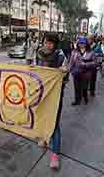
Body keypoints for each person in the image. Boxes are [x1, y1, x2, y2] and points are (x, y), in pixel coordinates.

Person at [36, 33, 68, 170]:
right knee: (42, 116)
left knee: (54, 123)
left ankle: (55, 154)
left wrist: (64, 72)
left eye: (51, 43)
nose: (48, 45)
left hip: (55, 94)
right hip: (41, 92)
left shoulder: (61, 56)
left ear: (55, 44)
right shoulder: (39, 53)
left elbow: (66, 75)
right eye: (46, 42)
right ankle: (44, 138)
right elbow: (37, 70)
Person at [69, 37, 96, 105]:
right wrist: (71, 70)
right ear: (78, 44)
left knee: (84, 87)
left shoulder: (91, 52)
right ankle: (77, 100)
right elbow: (71, 62)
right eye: (80, 43)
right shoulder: (74, 52)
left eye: (83, 43)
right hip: (76, 73)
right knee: (76, 88)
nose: (81, 45)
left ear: (86, 44)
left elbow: (95, 63)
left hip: (86, 73)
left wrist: (86, 64)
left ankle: (85, 97)